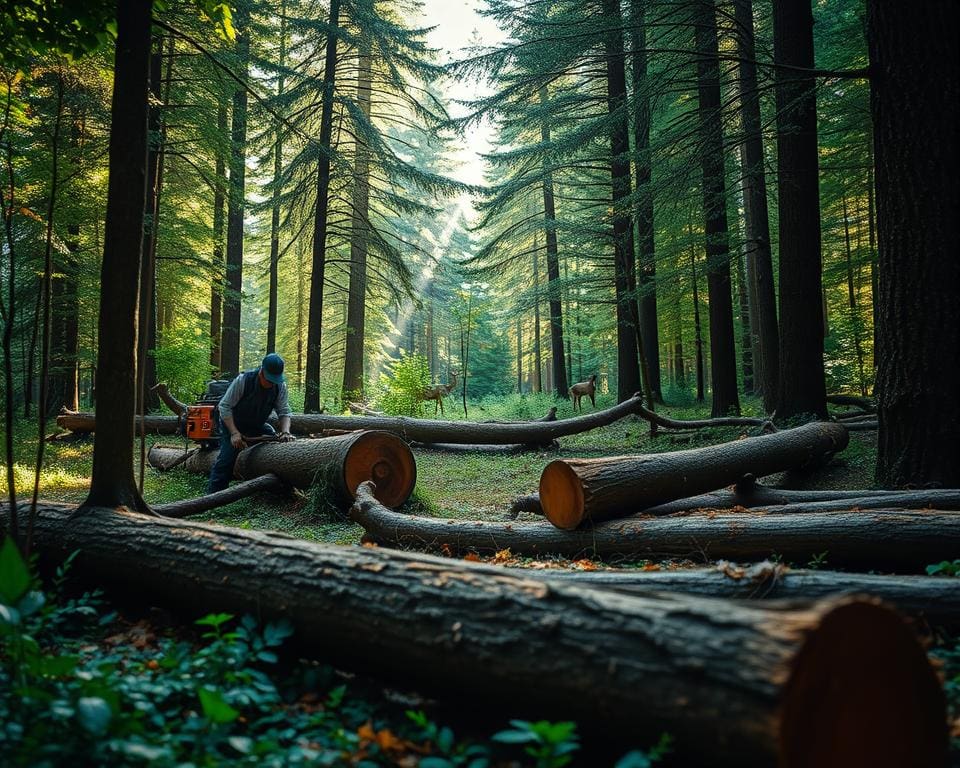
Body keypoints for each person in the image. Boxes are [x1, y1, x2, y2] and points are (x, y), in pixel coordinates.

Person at [206, 353, 294, 493]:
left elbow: (284, 411)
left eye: (274, 380)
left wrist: (285, 432)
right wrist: (234, 433)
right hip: (233, 422)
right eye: (270, 380)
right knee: (227, 458)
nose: (272, 384)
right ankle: (212, 496)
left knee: (272, 439)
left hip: (255, 423)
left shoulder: (280, 386)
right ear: (261, 372)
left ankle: (270, 488)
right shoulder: (243, 380)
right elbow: (224, 406)